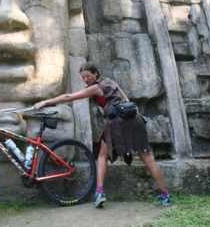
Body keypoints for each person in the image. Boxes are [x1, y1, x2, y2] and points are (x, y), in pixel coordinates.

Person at [34, 63, 170, 208]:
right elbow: (127, 101)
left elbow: (70, 96)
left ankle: (99, 192)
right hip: (135, 120)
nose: (85, 79)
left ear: (96, 74)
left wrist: (45, 102)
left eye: (88, 76)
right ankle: (166, 196)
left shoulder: (96, 87)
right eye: (83, 77)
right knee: (148, 158)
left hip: (118, 122)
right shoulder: (111, 82)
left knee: (102, 155)